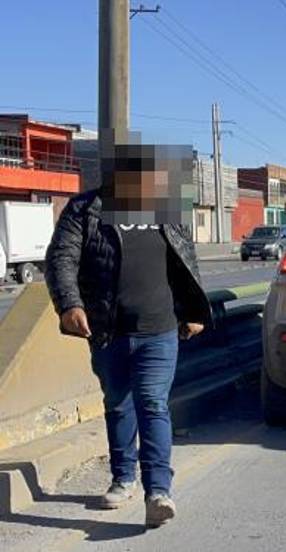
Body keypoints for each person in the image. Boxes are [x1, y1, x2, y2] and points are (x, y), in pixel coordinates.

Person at [45, 141, 210, 528]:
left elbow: (185, 260)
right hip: (107, 329)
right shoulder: (84, 210)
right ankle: (123, 478)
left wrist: (194, 311)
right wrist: (70, 305)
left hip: (159, 328)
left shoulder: (165, 211)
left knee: (153, 403)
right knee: (118, 403)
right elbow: (60, 259)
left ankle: (158, 492)